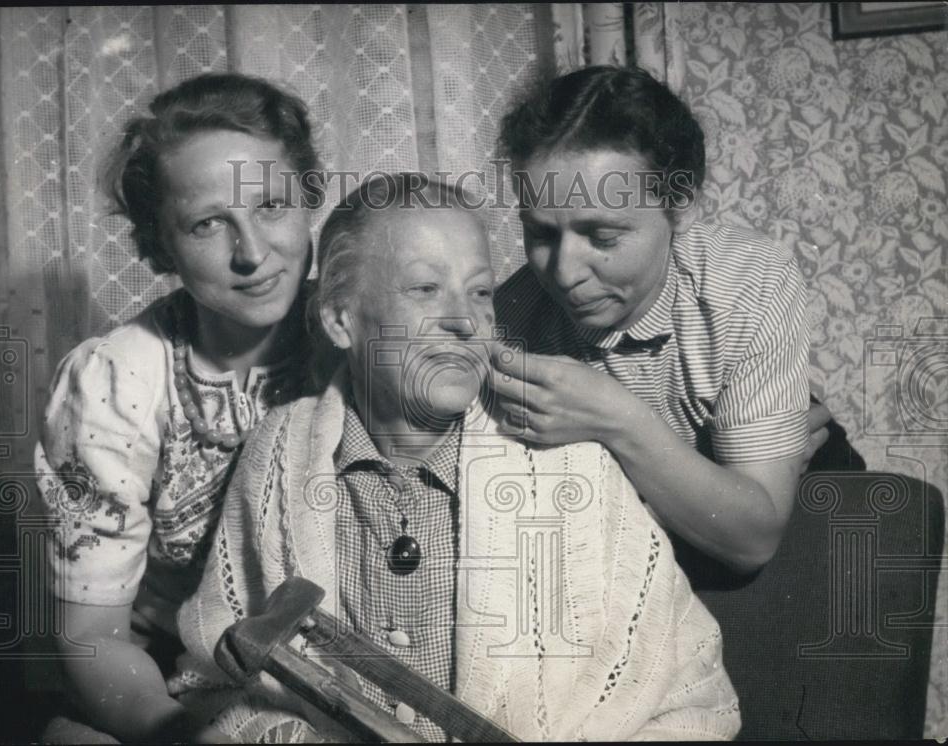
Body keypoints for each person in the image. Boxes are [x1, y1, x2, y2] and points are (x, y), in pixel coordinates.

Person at [169, 174, 741, 742]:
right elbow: (213, 679)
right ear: (341, 319)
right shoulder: (280, 452)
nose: (465, 321)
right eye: (425, 289)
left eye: (481, 292)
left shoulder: (571, 467)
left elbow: (695, 702)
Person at [34, 72, 319, 743]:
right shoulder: (116, 382)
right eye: (207, 224)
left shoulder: (362, 333)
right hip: (166, 686)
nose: (252, 253)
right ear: (160, 245)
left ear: (310, 198)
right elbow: (93, 639)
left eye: (272, 205)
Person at [492, 65, 829, 575]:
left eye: (603, 237)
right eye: (540, 235)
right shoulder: (507, 317)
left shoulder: (750, 280)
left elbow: (753, 539)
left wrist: (614, 417)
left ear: (680, 206)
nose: (564, 272)